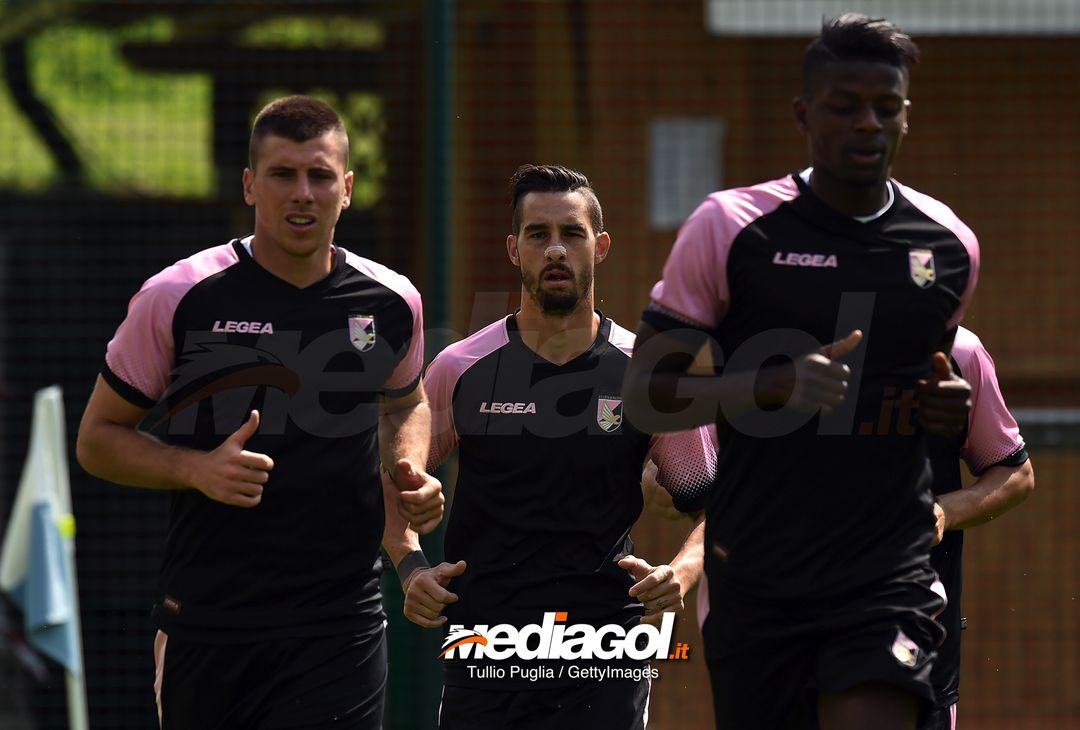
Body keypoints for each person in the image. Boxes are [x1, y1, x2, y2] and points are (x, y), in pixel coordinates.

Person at [624, 14, 980, 730]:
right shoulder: (729, 228)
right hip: (758, 571)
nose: (868, 123)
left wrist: (947, 406)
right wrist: (767, 386)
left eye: (886, 107)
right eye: (845, 107)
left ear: (906, 115)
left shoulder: (948, 245)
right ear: (803, 115)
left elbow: (925, 383)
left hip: (887, 570)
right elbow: (646, 397)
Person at [75, 95, 443, 730]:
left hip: (340, 626)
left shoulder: (390, 300)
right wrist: (194, 469)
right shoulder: (178, 295)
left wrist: (410, 465)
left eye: (320, 175)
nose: (302, 193)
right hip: (210, 623)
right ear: (249, 185)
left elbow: (406, 401)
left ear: (347, 189)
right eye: (282, 174)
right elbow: (97, 439)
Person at [382, 164, 715, 730]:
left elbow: (717, 505)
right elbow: (392, 478)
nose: (556, 250)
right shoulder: (460, 368)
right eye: (538, 234)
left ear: (600, 247)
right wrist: (411, 565)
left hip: (605, 653)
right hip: (486, 651)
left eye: (572, 234)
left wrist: (680, 573)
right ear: (514, 250)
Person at [922, 326, 1034, 730]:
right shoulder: (785, 341)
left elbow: (1016, 474)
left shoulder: (958, 350)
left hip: (921, 654)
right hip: (793, 644)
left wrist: (943, 511)